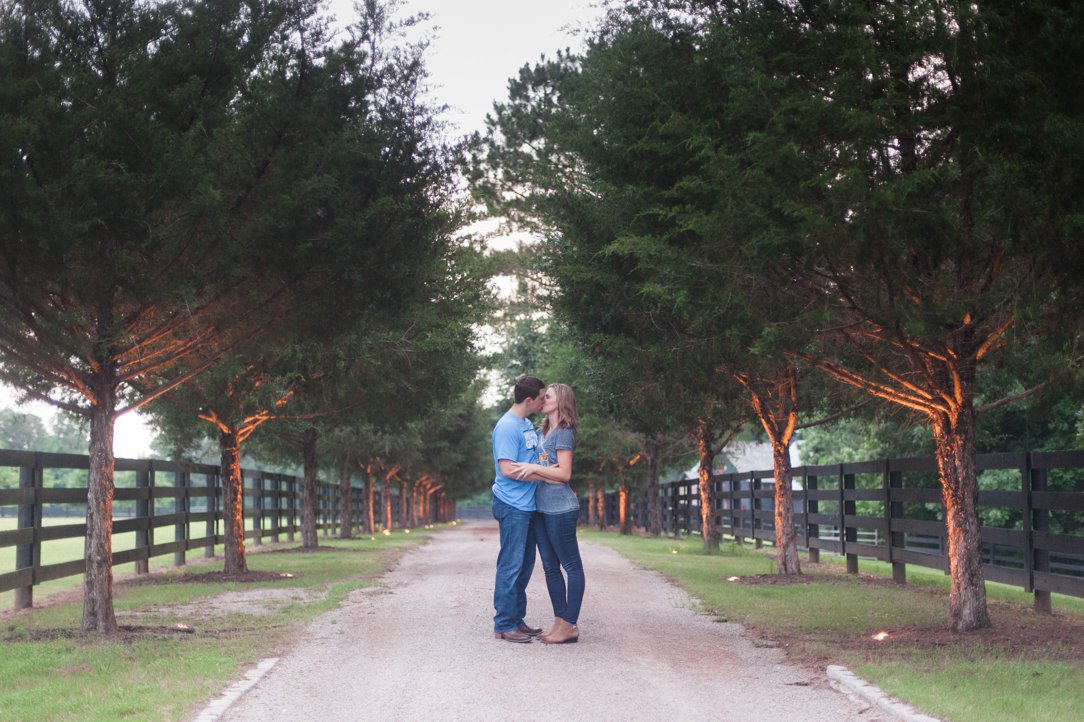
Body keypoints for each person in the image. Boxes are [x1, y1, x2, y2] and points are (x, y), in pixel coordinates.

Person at [509, 383, 583, 645]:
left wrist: (534, 469)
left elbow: (564, 474)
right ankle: (560, 623)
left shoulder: (563, 433)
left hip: (560, 509)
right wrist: (542, 471)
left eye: (547, 396)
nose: (542, 399)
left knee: (571, 566)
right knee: (551, 568)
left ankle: (570, 624)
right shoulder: (543, 431)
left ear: (560, 401)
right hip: (541, 507)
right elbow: (547, 471)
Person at [490, 374, 547, 643]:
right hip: (512, 504)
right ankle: (503, 623)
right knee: (511, 564)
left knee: (524, 565)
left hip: (527, 505)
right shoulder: (507, 427)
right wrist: (546, 475)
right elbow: (507, 468)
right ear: (528, 399)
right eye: (541, 398)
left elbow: (532, 458)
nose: (543, 401)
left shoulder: (526, 423)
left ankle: (516, 618)